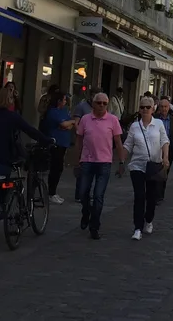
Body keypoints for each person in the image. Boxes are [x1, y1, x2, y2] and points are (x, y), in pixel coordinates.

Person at [0, 84, 52, 242]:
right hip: (2, 160)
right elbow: (30, 130)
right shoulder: (12, 117)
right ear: (11, 101)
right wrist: (46, 140)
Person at [75, 92, 125, 240]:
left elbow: (118, 142)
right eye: (99, 103)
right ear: (93, 104)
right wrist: (76, 160)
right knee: (83, 192)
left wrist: (121, 162)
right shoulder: (85, 119)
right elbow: (79, 139)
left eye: (104, 103)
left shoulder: (113, 120)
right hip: (87, 161)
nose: (102, 105)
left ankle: (94, 226)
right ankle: (86, 212)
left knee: (98, 196)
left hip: (104, 162)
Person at [121, 96, 170, 241]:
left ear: (153, 109)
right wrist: (121, 161)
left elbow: (164, 141)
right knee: (139, 196)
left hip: (154, 165)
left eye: (147, 107)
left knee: (151, 197)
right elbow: (128, 145)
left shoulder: (159, 124)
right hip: (137, 165)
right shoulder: (135, 126)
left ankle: (149, 219)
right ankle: (137, 228)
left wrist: (165, 157)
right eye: (142, 107)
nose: (144, 110)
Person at [40, 90, 75, 205]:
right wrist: (71, 122)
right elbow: (64, 124)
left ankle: (52, 192)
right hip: (56, 143)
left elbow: (68, 126)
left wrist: (69, 124)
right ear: (59, 101)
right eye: (64, 100)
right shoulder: (52, 112)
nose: (65, 102)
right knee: (55, 168)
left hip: (64, 142)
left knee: (59, 168)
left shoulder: (63, 111)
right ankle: (51, 192)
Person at [155, 97, 173, 203]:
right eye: (161, 107)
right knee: (155, 172)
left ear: (169, 107)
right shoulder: (154, 118)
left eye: (165, 106)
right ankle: (155, 194)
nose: (164, 109)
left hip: (169, 150)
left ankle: (160, 194)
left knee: (164, 173)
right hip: (156, 149)